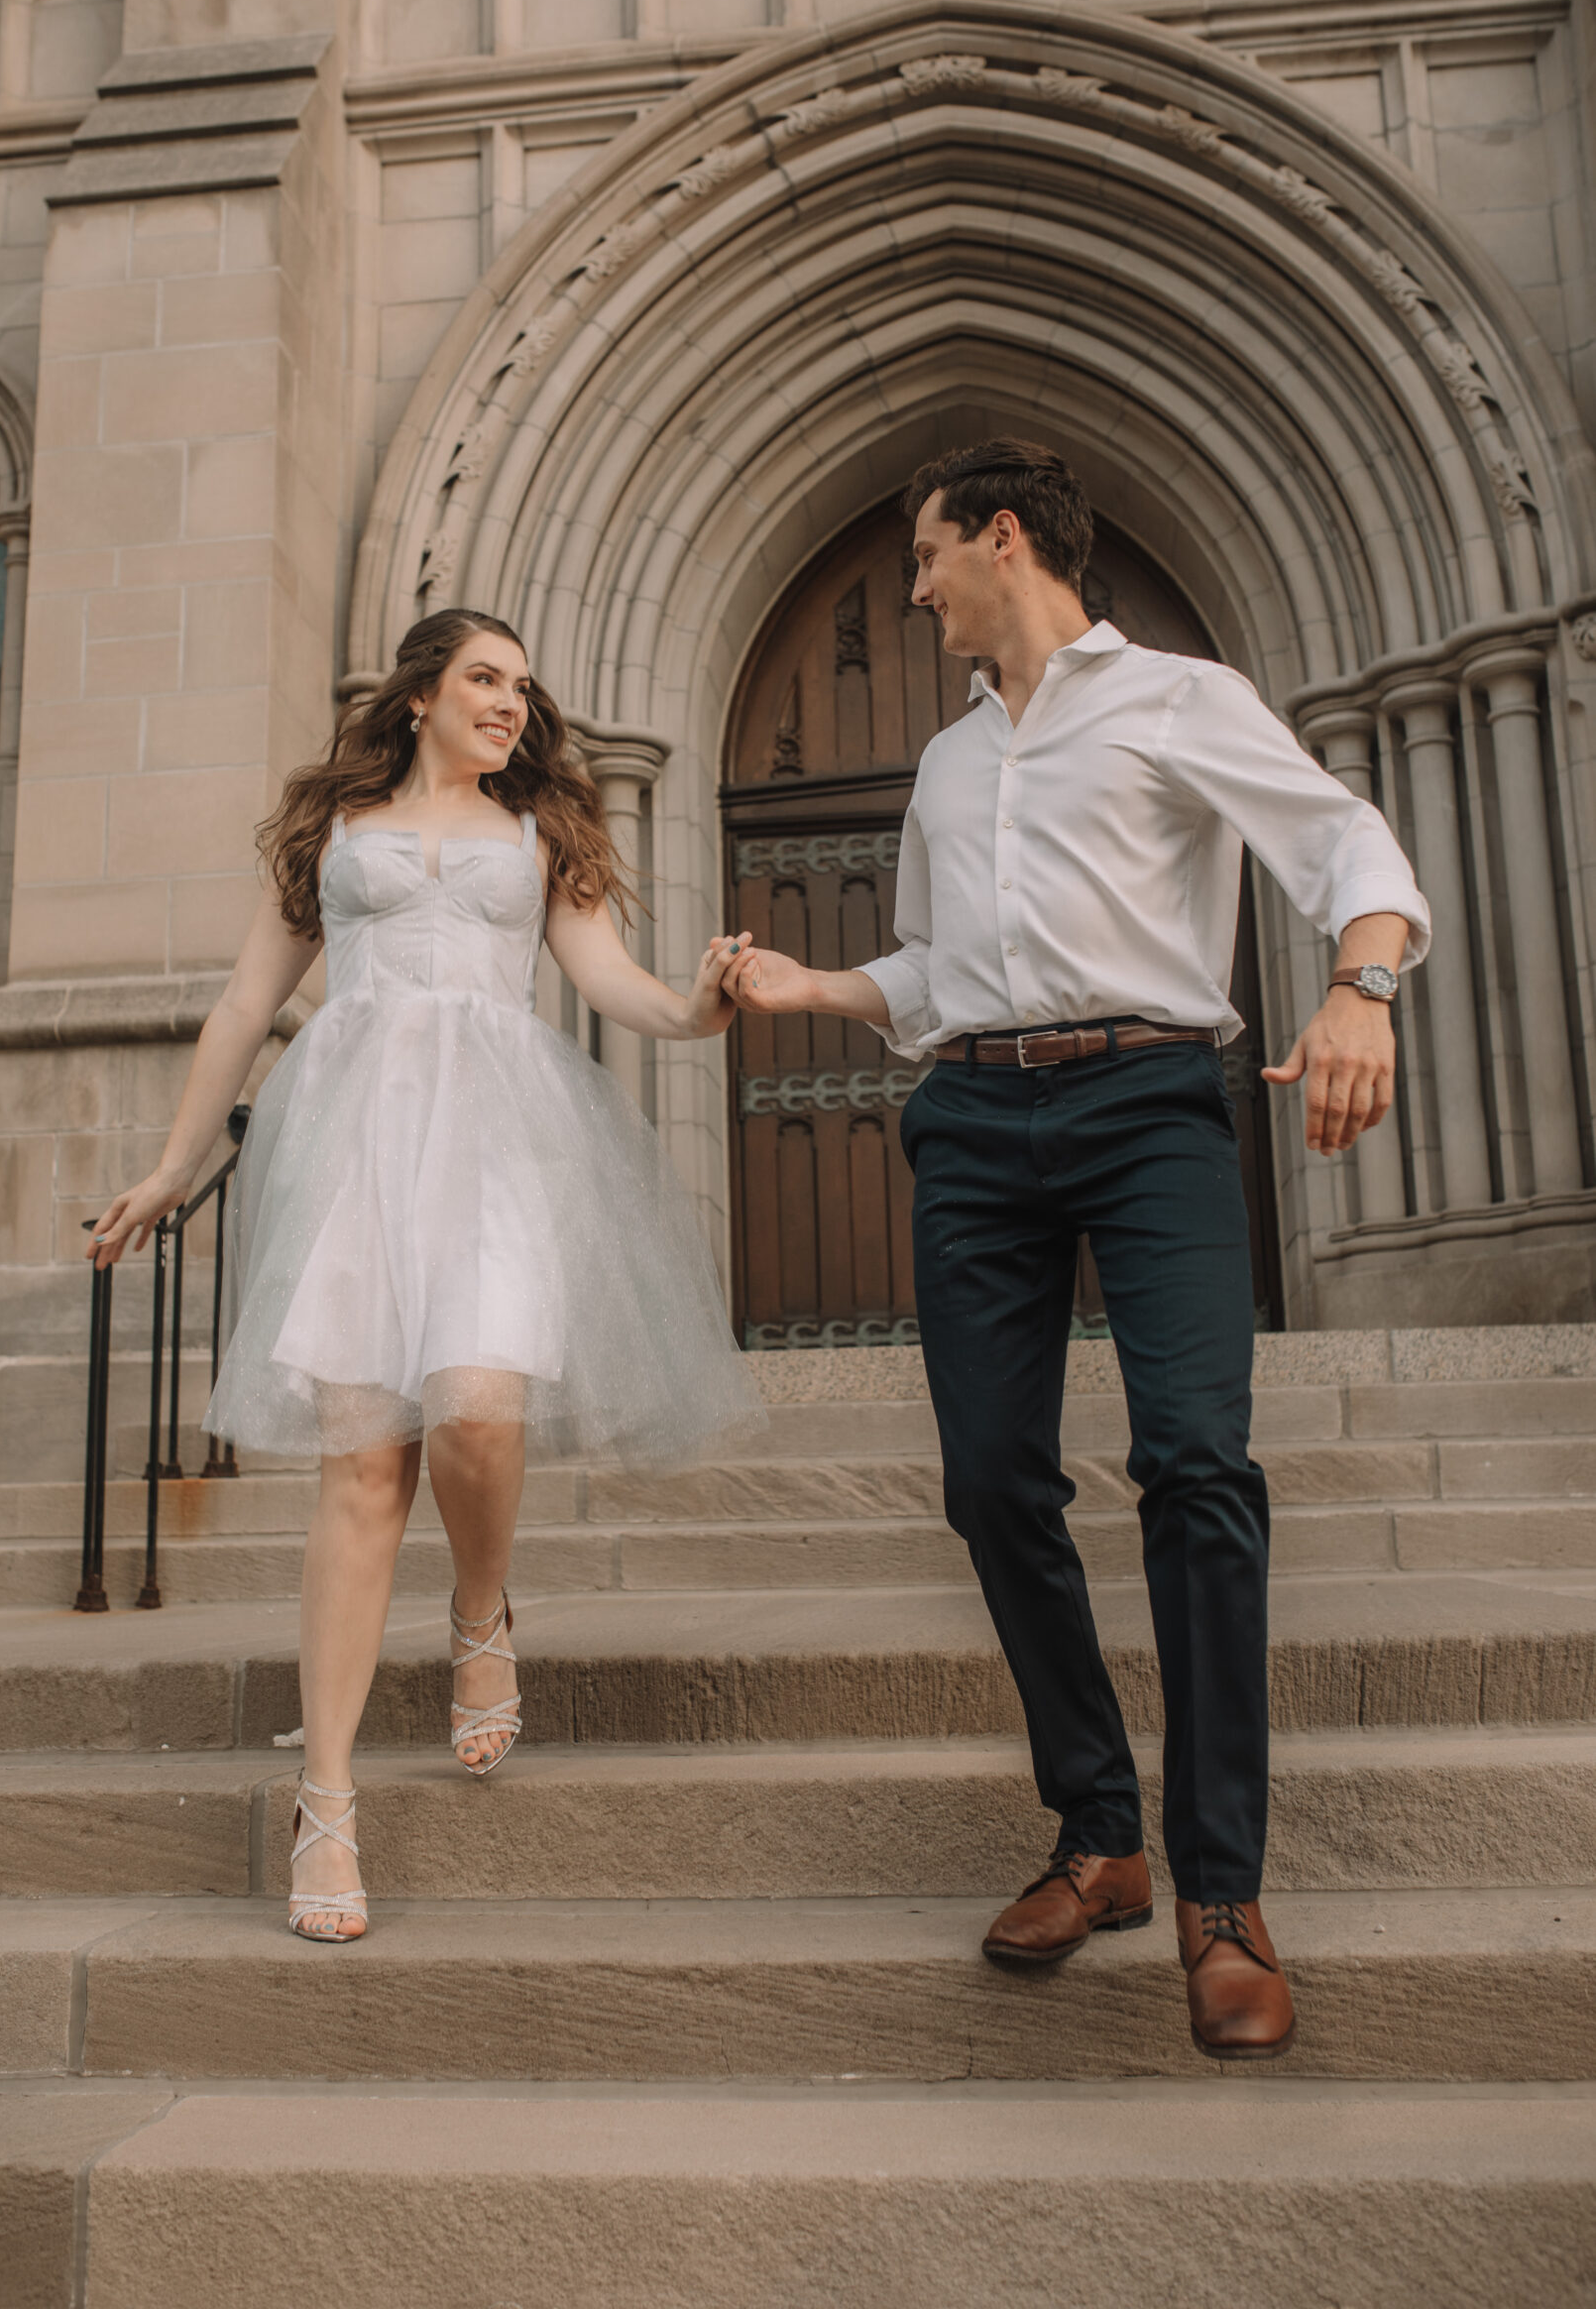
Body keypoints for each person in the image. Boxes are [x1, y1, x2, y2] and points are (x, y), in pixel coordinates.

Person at [725, 439, 1428, 2058]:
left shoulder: (1180, 700)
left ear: (1006, 537)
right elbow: (928, 967)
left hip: (1150, 1103)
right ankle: (1100, 1831)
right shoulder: (953, 762)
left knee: (1194, 1463)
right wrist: (808, 992)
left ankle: (1221, 1893)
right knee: (989, 1482)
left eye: (925, 554)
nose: (911, 588)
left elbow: (1351, 856)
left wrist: (1357, 991)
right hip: (974, 1128)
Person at [89, 609, 763, 1943]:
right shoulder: (333, 833)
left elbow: (608, 979)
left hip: (499, 1149)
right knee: (360, 1469)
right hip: (356, 1153)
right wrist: (171, 1169)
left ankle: (477, 1604)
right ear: (420, 699)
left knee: (475, 1412)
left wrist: (695, 1011)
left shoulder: (542, 834)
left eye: (521, 685)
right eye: (484, 679)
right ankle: (326, 1804)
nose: (511, 703)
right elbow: (245, 1005)